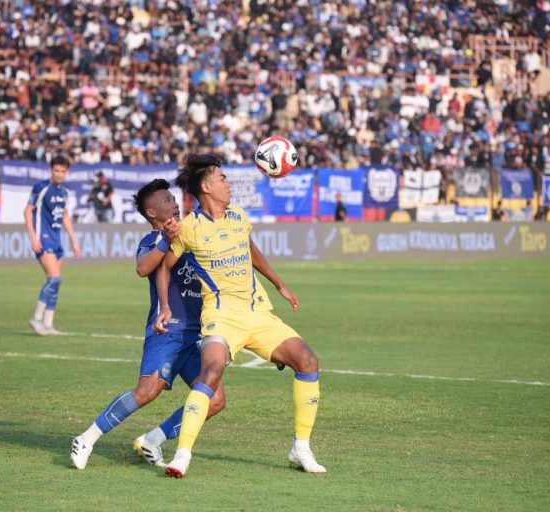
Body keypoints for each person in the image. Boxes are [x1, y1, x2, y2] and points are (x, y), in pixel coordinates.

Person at [154, 154, 325, 478]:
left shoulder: (238, 217)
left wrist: (279, 284)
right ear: (206, 186)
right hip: (221, 315)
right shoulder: (189, 227)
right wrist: (165, 306)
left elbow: (251, 250)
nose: (227, 183)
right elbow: (165, 267)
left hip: (256, 312)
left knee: (308, 361)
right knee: (212, 372)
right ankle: (182, 455)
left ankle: (300, 448)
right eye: (222, 178)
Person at [70, 179, 226, 470]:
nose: (175, 204)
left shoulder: (190, 234)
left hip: (197, 335)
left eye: (174, 199)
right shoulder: (153, 240)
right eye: (167, 201)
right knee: (146, 392)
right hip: (167, 330)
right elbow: (143, 268)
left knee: (215, 400)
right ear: (152, 213)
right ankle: (86, 438)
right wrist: (167, 239)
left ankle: (153, 439)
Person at [24, 155, 81, 335]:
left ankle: (48, 324)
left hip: (57, 241)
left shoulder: (64, 191)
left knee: (55, 283)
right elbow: (27, 212)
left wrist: (73, 241)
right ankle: (37, 318)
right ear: (51, 170)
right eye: (56, 170)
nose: (59, 174)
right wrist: (33, 237)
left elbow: (64, 215)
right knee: (55, 278)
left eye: (62, 171)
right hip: (43, 239)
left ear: (67, 172)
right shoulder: (41, 188)